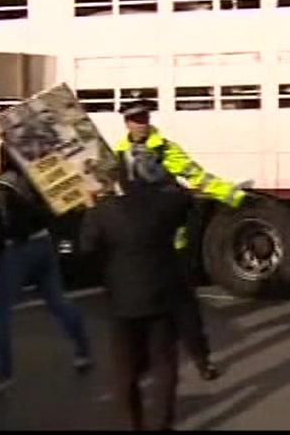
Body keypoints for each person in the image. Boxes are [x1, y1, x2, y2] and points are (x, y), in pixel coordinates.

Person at [113, 99, 250, 381]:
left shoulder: (165, 149)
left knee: (184, 307)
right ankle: (142, 364)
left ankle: (202, 360)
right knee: (137, 306)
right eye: (136, 118)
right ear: (126, 122)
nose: (142, 123)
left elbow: (195, 176)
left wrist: (230, 193)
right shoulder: (117, 153)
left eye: (145, 117)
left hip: (170, 241)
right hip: (139, 241)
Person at [80, 154, 191, 430]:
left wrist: (90, 208)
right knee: (164, 365)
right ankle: (163, 424)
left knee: (125, 370)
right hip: (162, 296)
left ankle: (133, 424)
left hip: (122, 301)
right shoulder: (168, 205)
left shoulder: (106, 210)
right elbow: (185, 197)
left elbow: (87, 247)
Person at [0, 146, 91, 398]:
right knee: (58, 301)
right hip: (44, 243)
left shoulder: (2, 185)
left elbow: (7, 222)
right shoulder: (39, 175)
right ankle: (83, 351)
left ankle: (3, 375)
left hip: (19, 249)